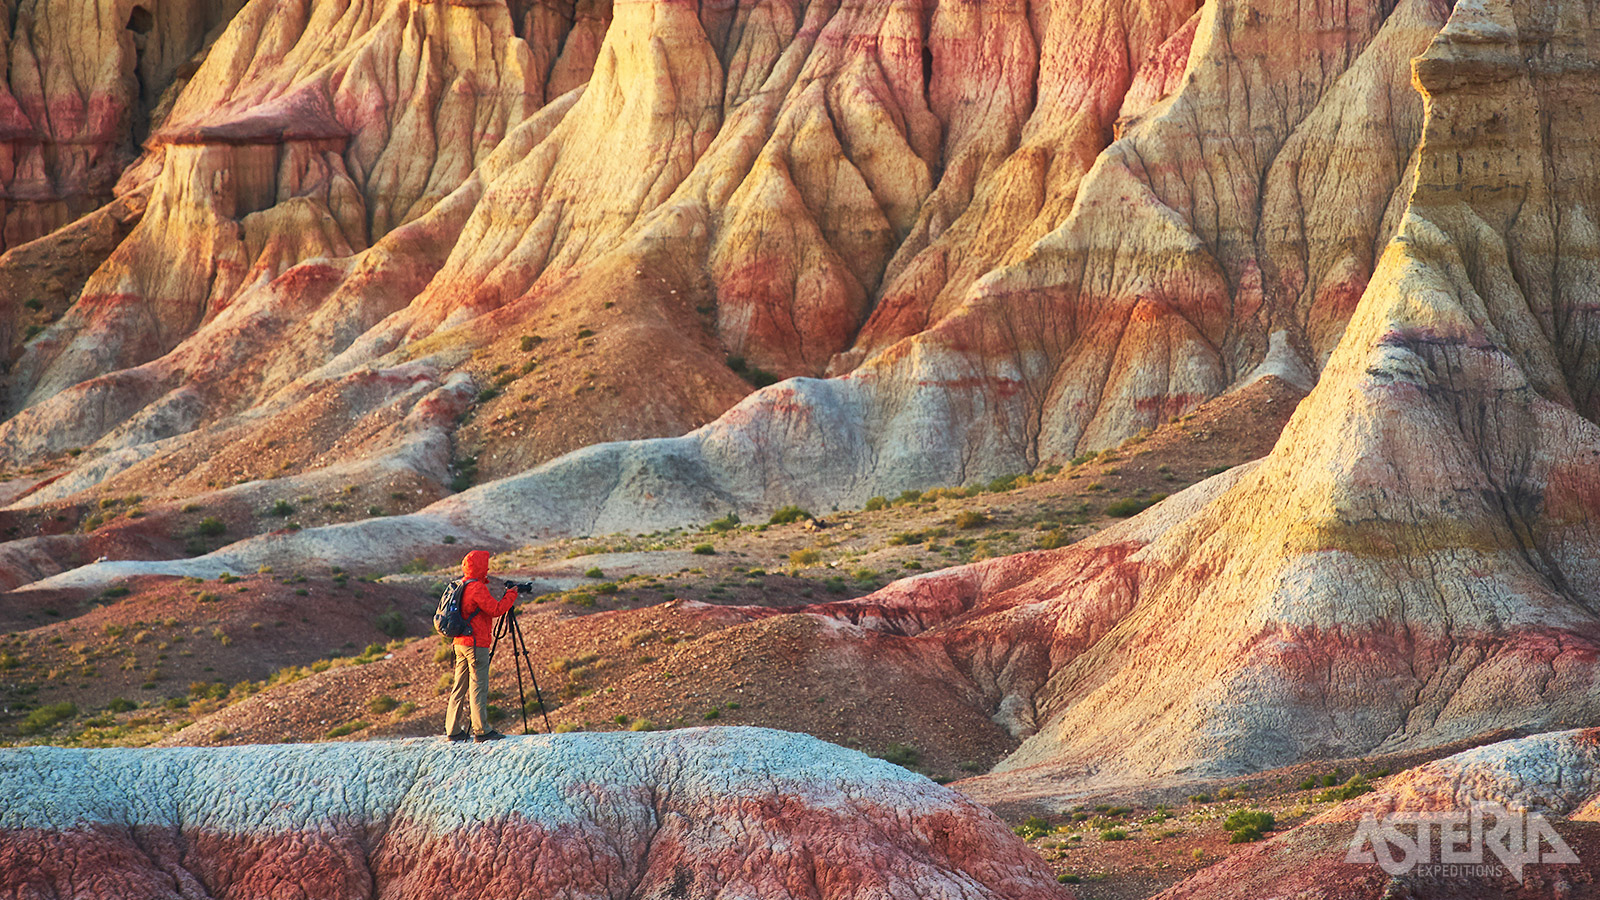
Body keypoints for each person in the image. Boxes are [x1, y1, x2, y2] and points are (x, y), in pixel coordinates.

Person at [444, 549, 519, 742]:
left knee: (459, 687)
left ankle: (452, 730)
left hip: (458, 643)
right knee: (478, 686)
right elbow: (495, 609)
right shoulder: (476, 587)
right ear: (480, 567)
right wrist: (511, 595)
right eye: (485, 565)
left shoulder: (460, 584)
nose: (487, 568)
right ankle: (482, 730)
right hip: (475, 644)